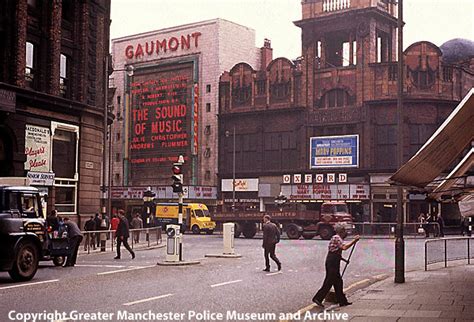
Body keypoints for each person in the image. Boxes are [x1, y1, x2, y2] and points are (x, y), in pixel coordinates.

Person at [312, 224, 360, 308]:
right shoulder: (336, 238)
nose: (345, 233)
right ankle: (317, 298)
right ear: (341, 231)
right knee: (329, 281)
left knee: (338, 282)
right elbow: (344, 247)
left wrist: (344, 260)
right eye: (344, 231)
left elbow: (336, 252)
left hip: (334, 261)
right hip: (332, 263)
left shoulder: (338, 238)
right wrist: (354, 241)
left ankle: (342, 301)